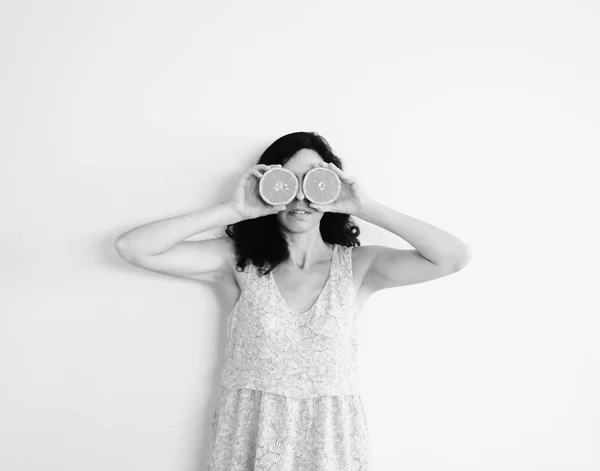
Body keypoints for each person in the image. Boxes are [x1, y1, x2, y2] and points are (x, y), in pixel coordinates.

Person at [115, 131, 472, 470]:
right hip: (251, 439)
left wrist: (366, 206)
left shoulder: (359, 266)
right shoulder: (237, 262)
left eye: (314, 181)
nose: (301, 196)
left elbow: (453, 257)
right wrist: (233, 210)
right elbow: (133, 248)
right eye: (288, 182)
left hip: (332, 447)